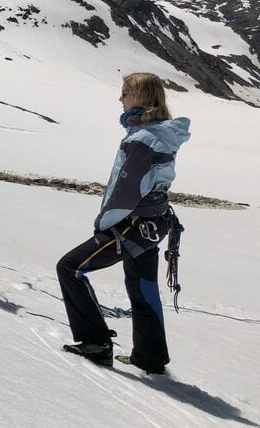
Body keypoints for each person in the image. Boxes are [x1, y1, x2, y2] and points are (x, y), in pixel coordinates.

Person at [57, 73, 189, 374]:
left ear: (143, 98)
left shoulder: (142, 139)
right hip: (153, 224)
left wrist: (104, 222)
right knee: (143, 289)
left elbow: (126, 191)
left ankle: (96, 343)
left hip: (130, 223)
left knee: (70, 268)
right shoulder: (161, 133)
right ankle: (150, 358)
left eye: (126, 93)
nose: (121, 99)